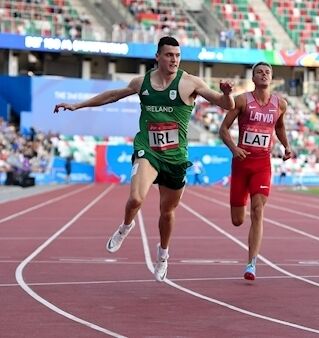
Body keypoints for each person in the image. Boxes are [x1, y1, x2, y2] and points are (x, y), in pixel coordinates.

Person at [53, 36, 235, 282]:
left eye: (178, 55)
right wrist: (78, 105)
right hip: (147, 149)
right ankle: (126, 226)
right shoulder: (142, 82)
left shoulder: (191, 83)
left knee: (167, 212)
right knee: (136, 198)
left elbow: (225, 104)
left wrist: (227, 94)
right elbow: (112, 96)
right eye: (169, 55)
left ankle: (163, 254)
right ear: (157, 57)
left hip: (175, 156)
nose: (174, 60)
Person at [218, 62, 292, 281]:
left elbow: (279, 126)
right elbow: (223, 129)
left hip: (262, 163)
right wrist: (234, 148)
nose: (263, 74)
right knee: (238, 220)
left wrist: (286, 146)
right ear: (253, 78)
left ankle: (251, 264)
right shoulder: (242, 100)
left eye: (267, 72)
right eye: (259, 72)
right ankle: (248, 249)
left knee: (258, 210)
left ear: (272, 77)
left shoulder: (280, 104)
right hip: (241, 164)